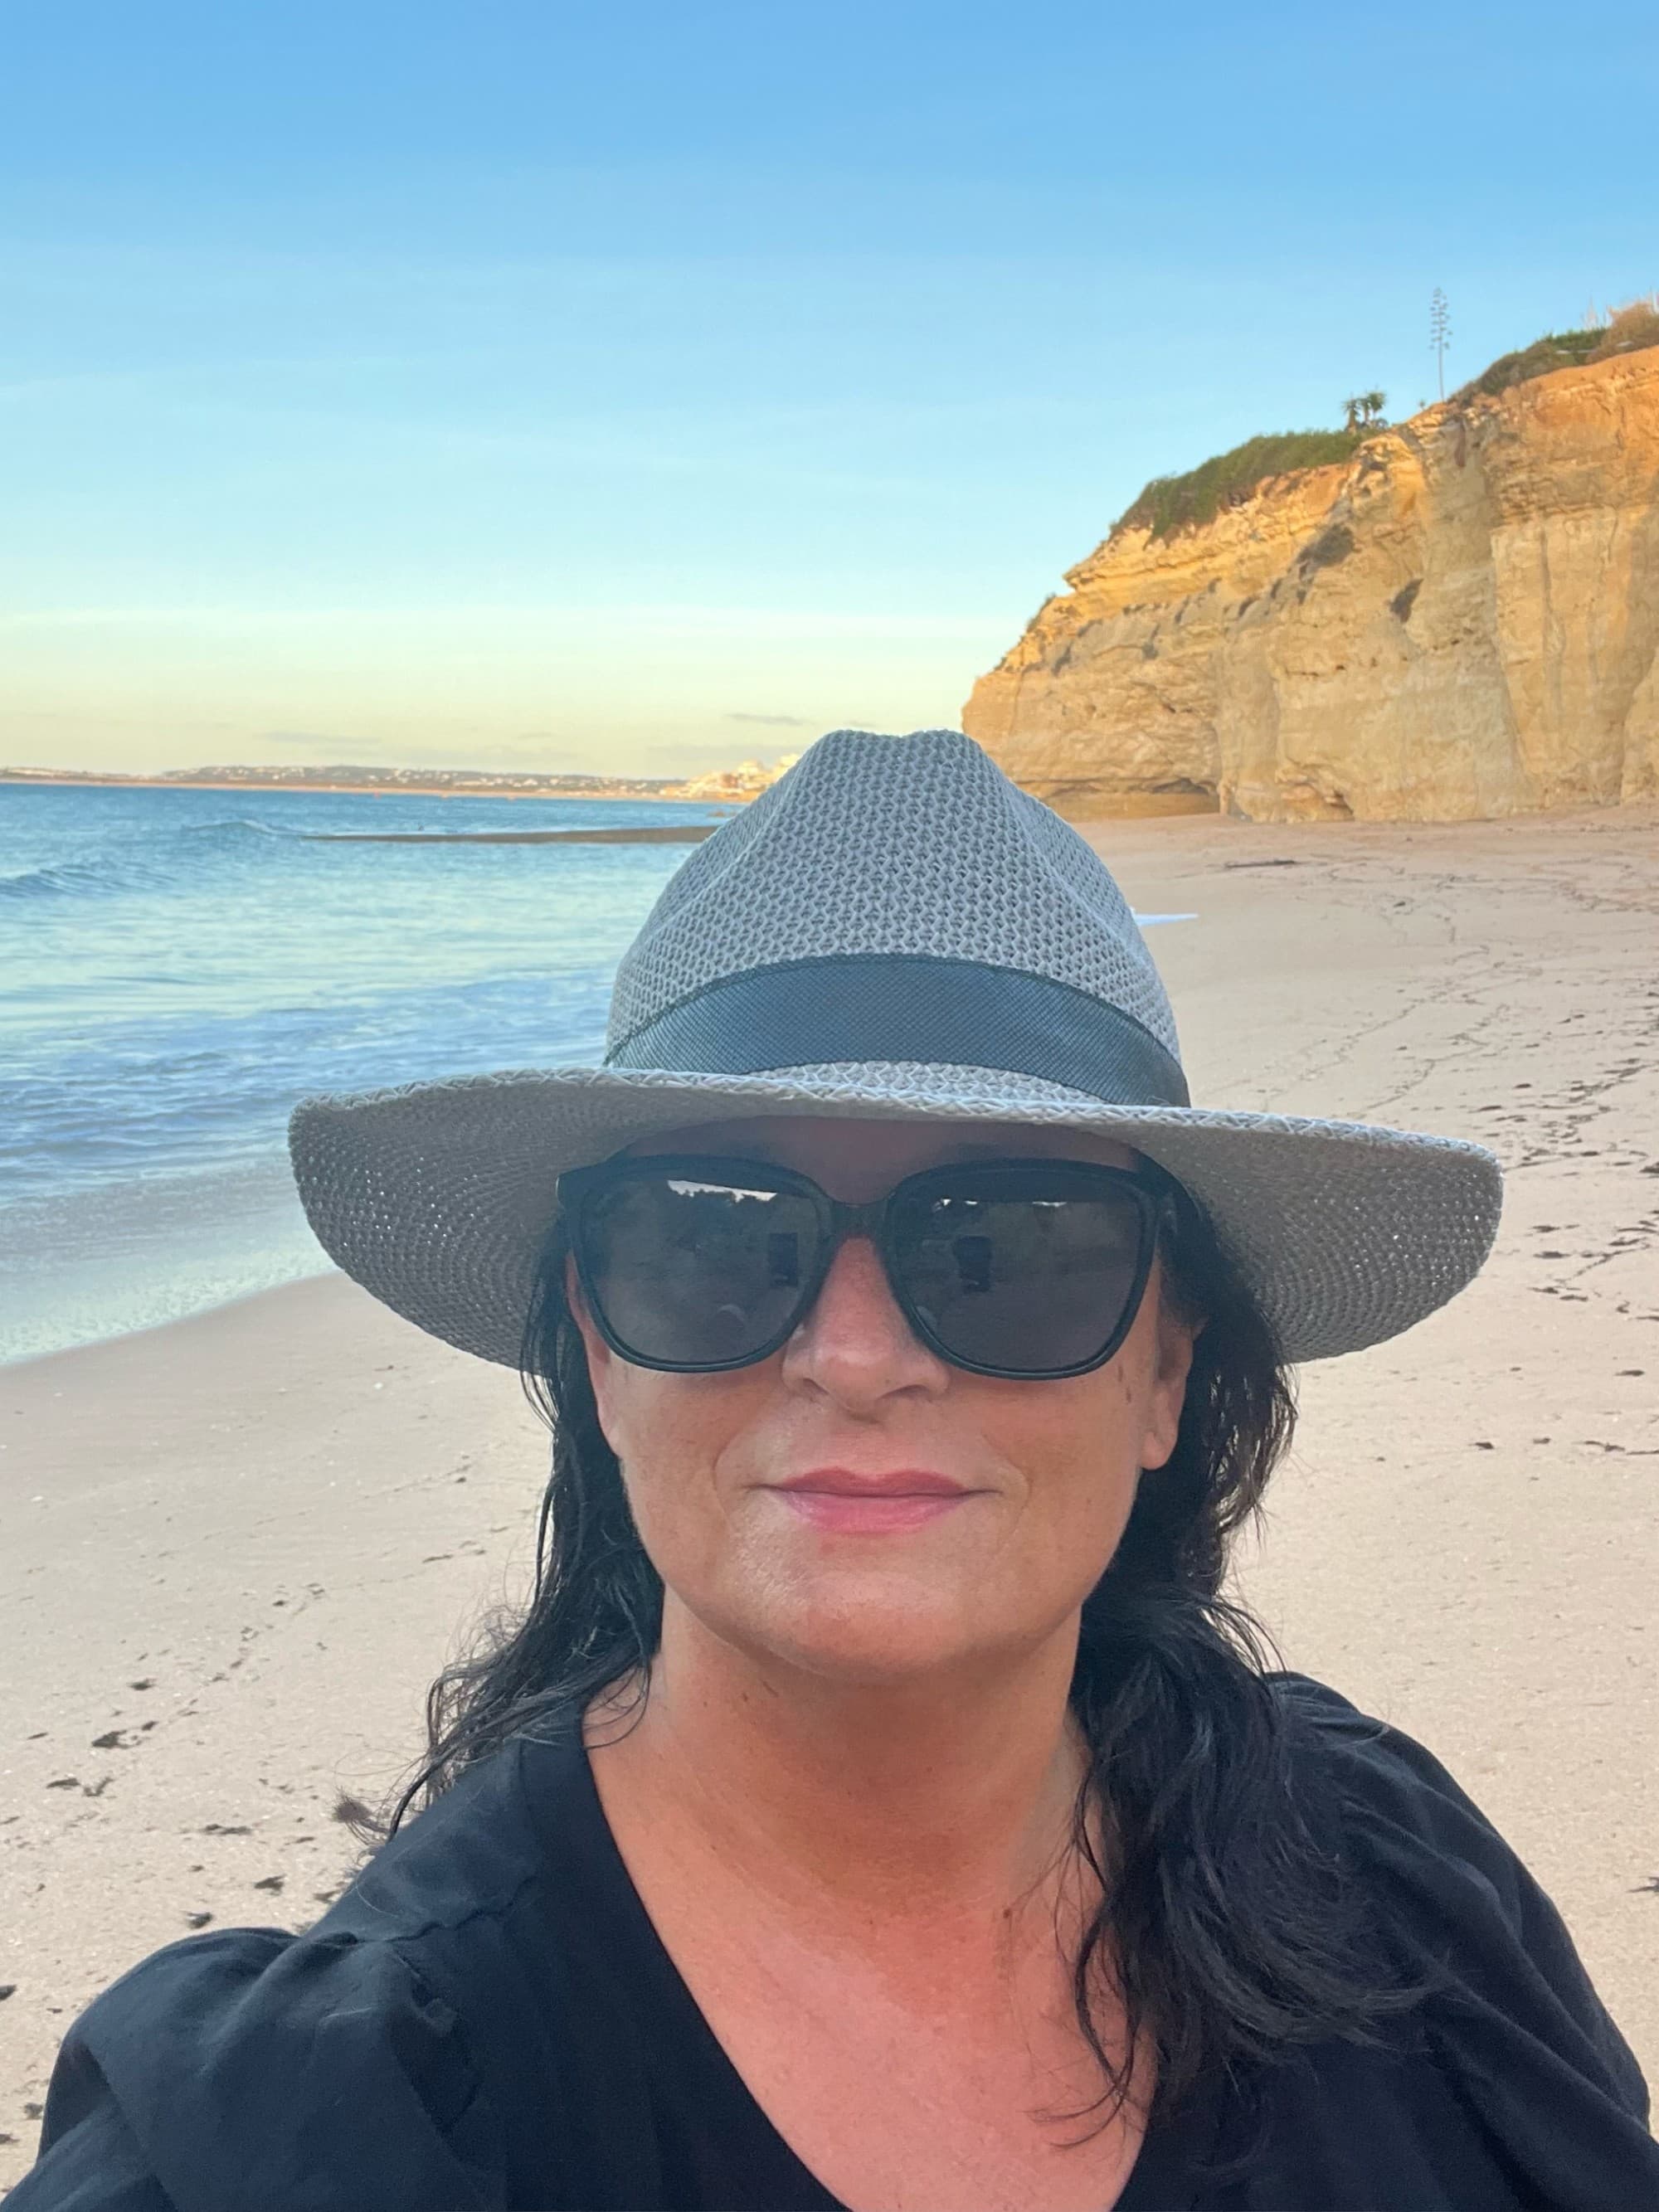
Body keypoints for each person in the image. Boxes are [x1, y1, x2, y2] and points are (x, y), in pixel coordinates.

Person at [16, 729, 1656, 2211]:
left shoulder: (1390, 1883)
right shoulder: (316, 2126)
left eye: (1010, 1246)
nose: (857, 1355)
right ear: (595, 1349)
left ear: (1168, 1367)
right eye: (715, 1242)